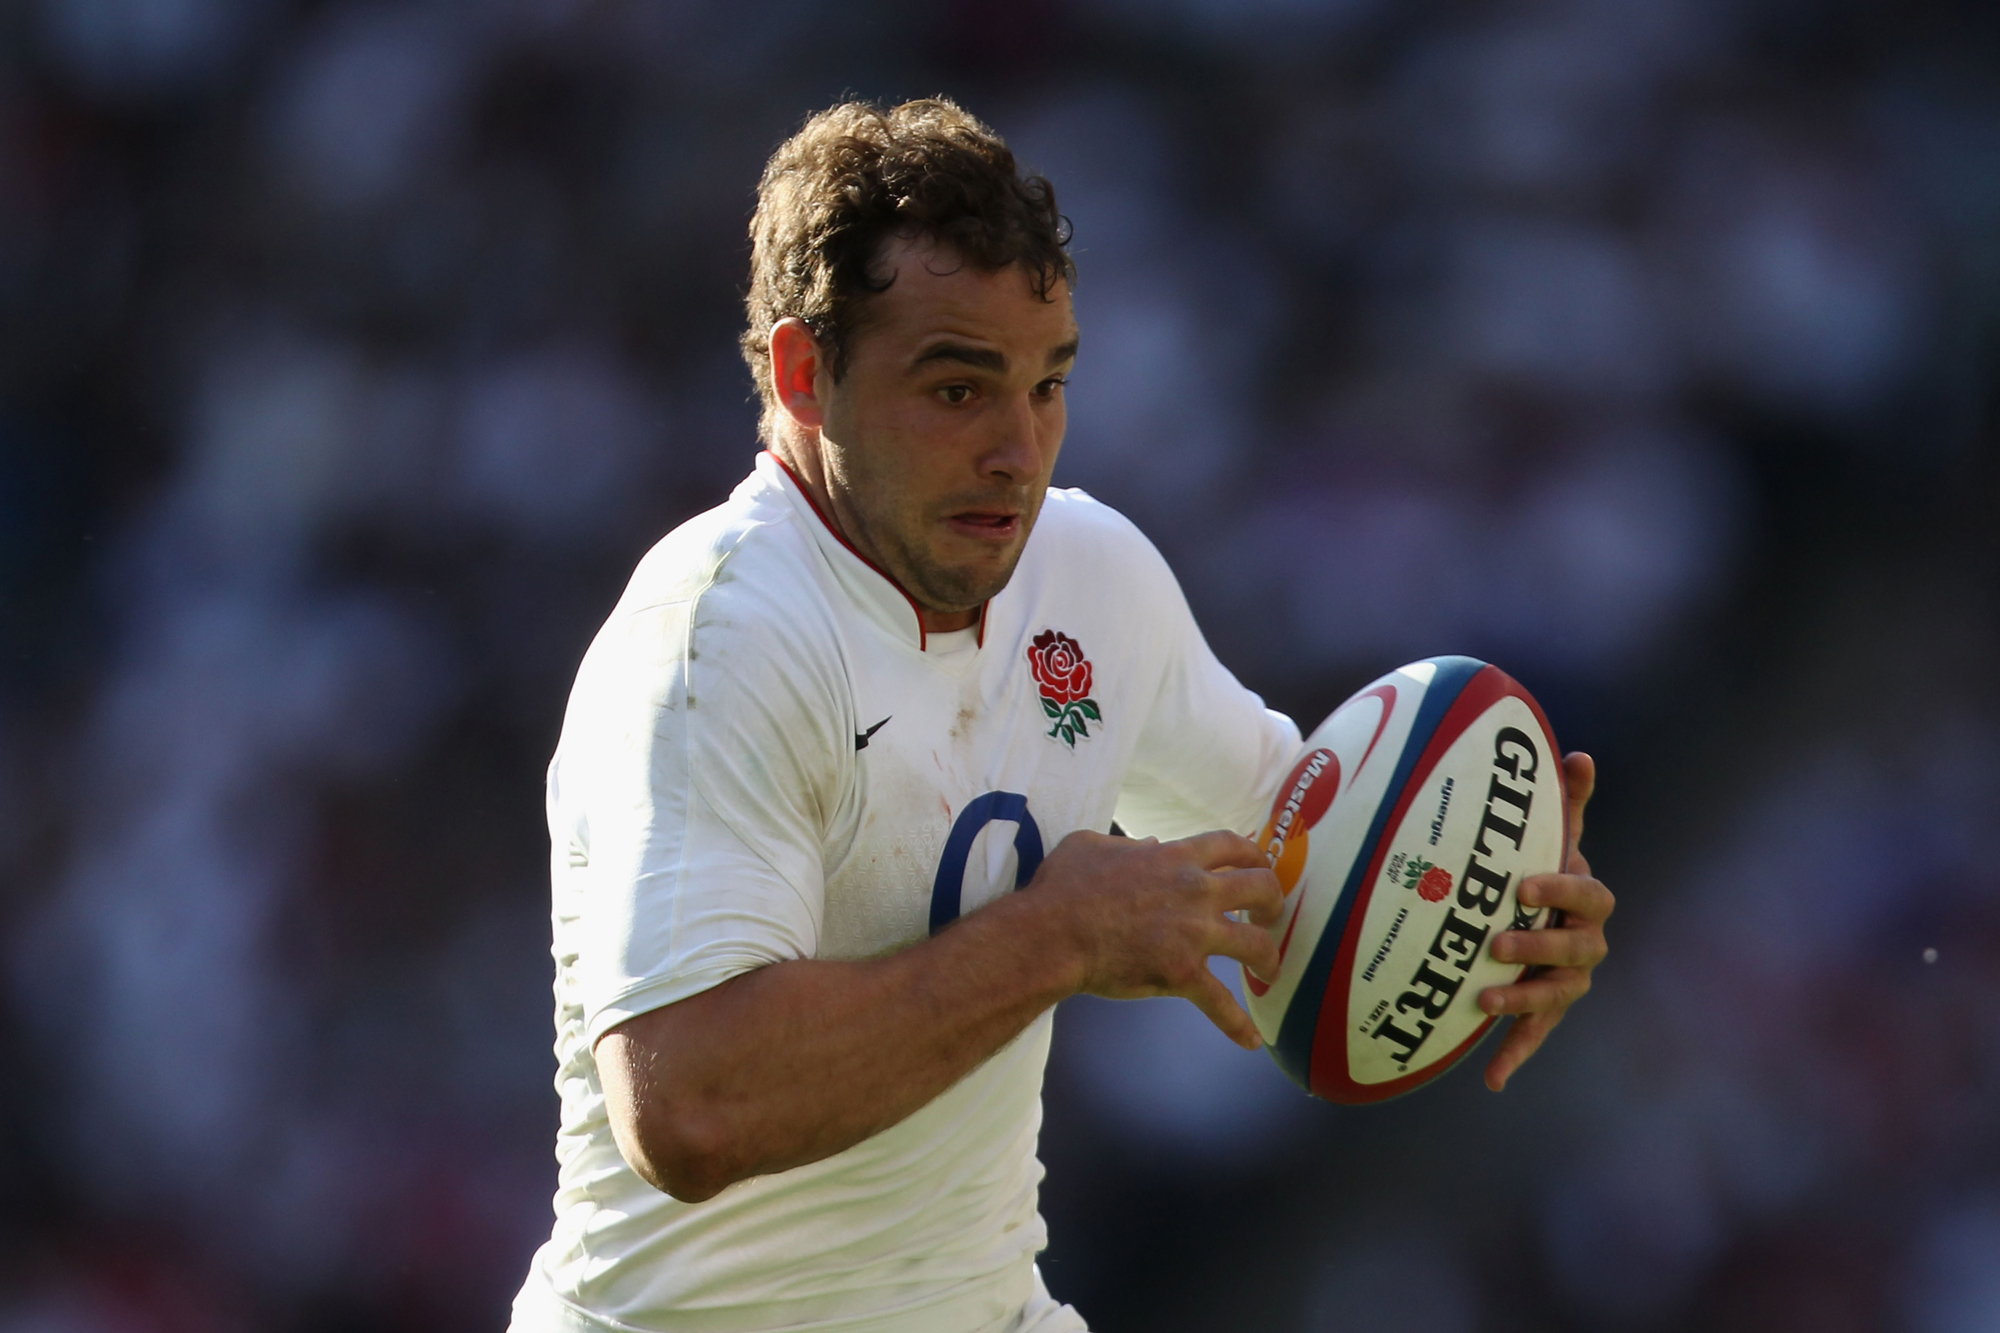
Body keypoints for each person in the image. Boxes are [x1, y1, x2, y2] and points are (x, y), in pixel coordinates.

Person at [507, 97, 1612, 1333]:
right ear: (802, 374)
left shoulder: (1088, 574)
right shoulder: (720, 640)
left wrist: (1491, 913)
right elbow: (689, 1105)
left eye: (1047, 385)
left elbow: (1301, 870)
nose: (1018, 449)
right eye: (956, 388)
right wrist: (1054, 939)